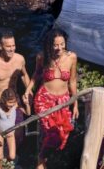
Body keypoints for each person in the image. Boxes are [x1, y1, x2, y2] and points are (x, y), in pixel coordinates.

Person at [24, 28, 78, 169]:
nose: (59, 48)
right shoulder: (42, 57)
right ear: (49, 45)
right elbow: (36, 75)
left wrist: (75, 102)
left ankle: (44, 162)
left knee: (61, 134)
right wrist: (28, 89)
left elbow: (72, 81)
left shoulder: (72, 57)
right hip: (44, 100)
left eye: (62, 44)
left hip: (64, 101)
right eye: (55, 45)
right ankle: (40, 163)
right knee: (48, 133)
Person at [0, 88, 31, 169]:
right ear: (4, 100)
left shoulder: (15, 105)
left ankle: (4, 163)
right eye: (9, 102)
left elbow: (28, 113)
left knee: (12, 156)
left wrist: (27, 104)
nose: (11, 104)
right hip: (0, 133)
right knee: (0, 156)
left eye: (13, 102)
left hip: (11, 134)